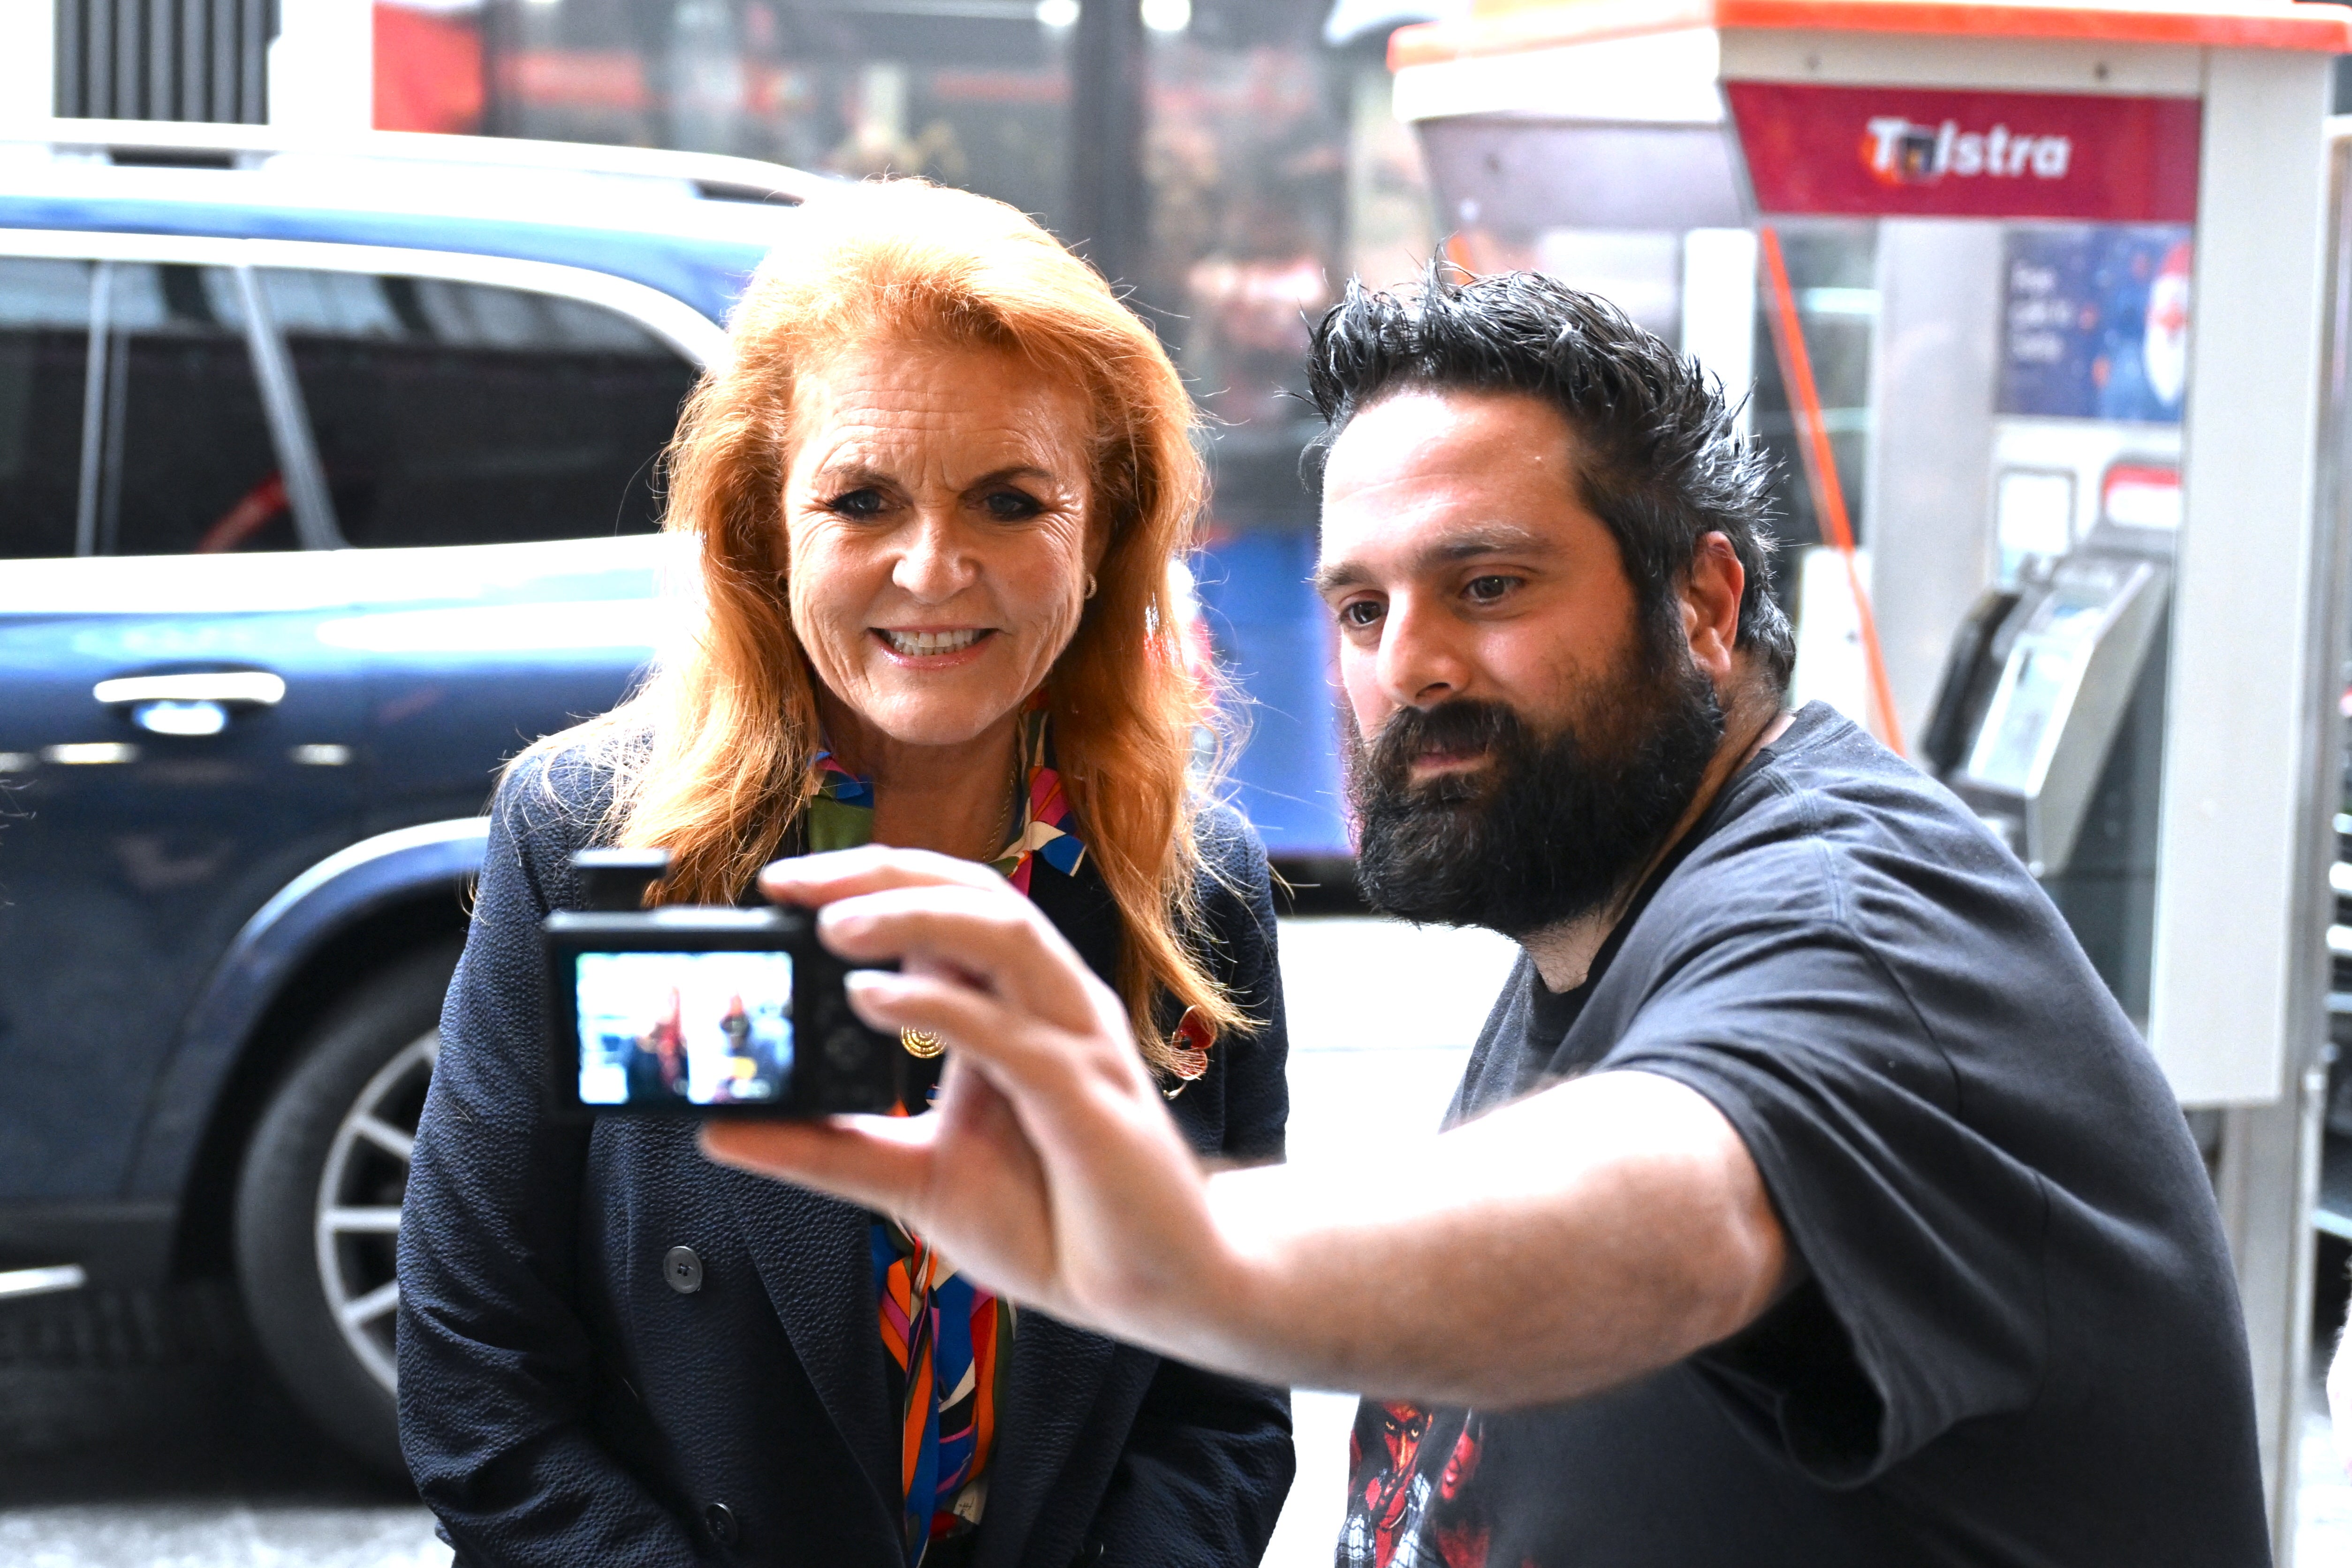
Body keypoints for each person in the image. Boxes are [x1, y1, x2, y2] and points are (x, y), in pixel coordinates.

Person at [708, 268, 2273, 1566]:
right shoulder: (1593, 909)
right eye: (1363, 607)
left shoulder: (1857, 920)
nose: (1412, 667)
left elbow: (1684, 1209)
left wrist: (1179, 1259)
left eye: (1494, 587)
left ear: (1707, 605)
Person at [395, 180, 1295, 1568]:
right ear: (764, 523)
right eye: (863, 499)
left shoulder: (1188, 885)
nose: (933, 569)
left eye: (1010, 500)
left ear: (1107, 526)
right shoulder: (599, 844)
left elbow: (1222, 1406)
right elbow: (477, 1381)